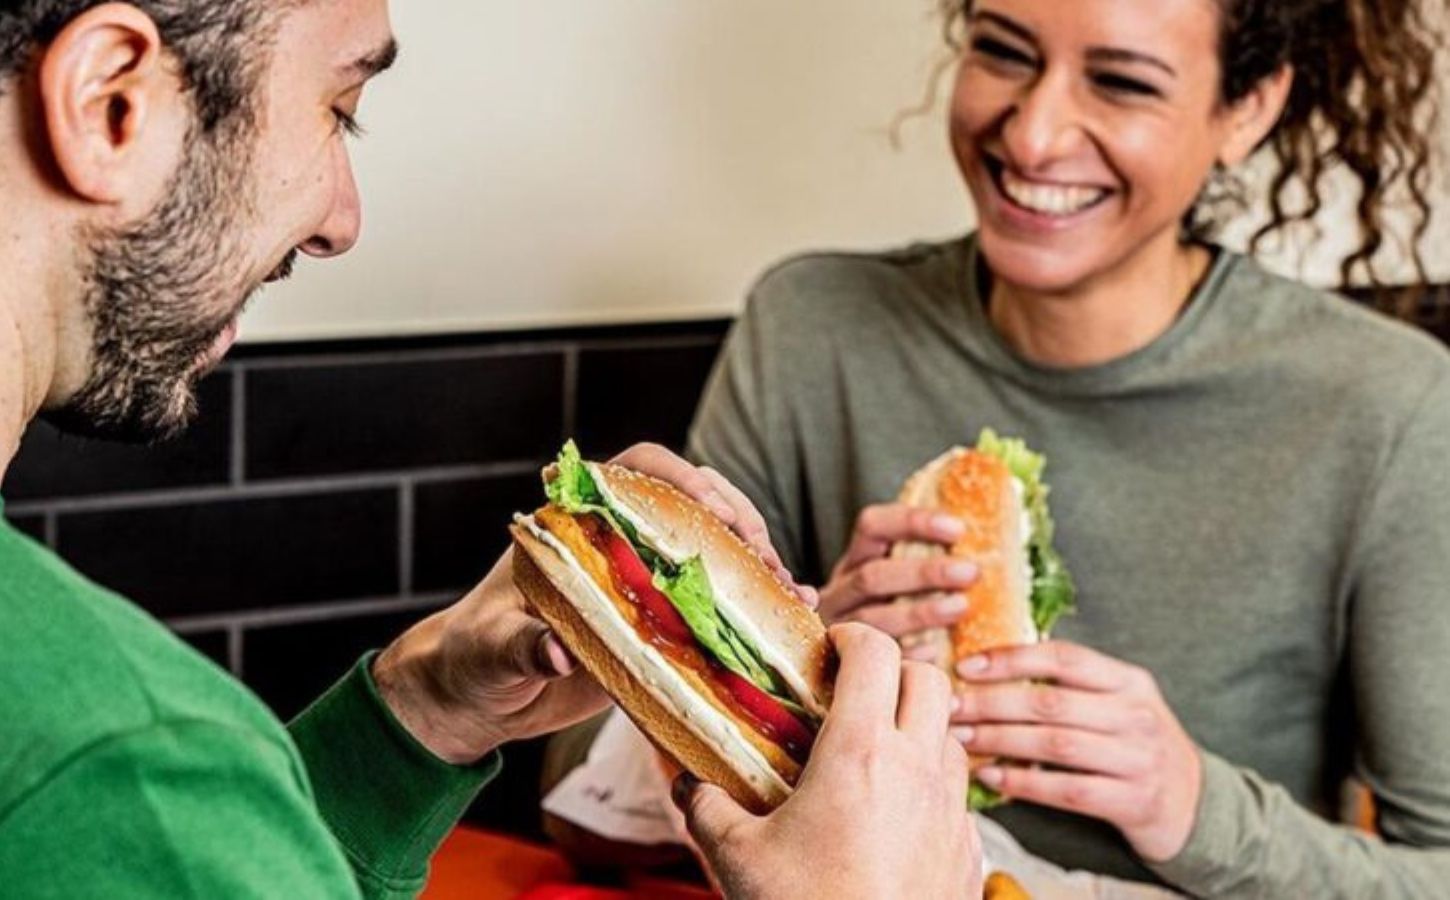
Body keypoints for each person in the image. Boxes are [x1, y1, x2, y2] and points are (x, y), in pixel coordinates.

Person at [0, 1, 981, 897]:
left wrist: (418, 717)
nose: (343, 220)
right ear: (109, 100)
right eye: (340, 107)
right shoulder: (111, 758)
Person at [682, 0, 1450, 897]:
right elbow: (575, 795)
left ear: (1247, 109)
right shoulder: (810, 329)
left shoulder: (1390, 408)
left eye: (1122, 82)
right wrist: (794, 678)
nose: (1036, 136)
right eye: (1004, 52)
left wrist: (1198, 810)